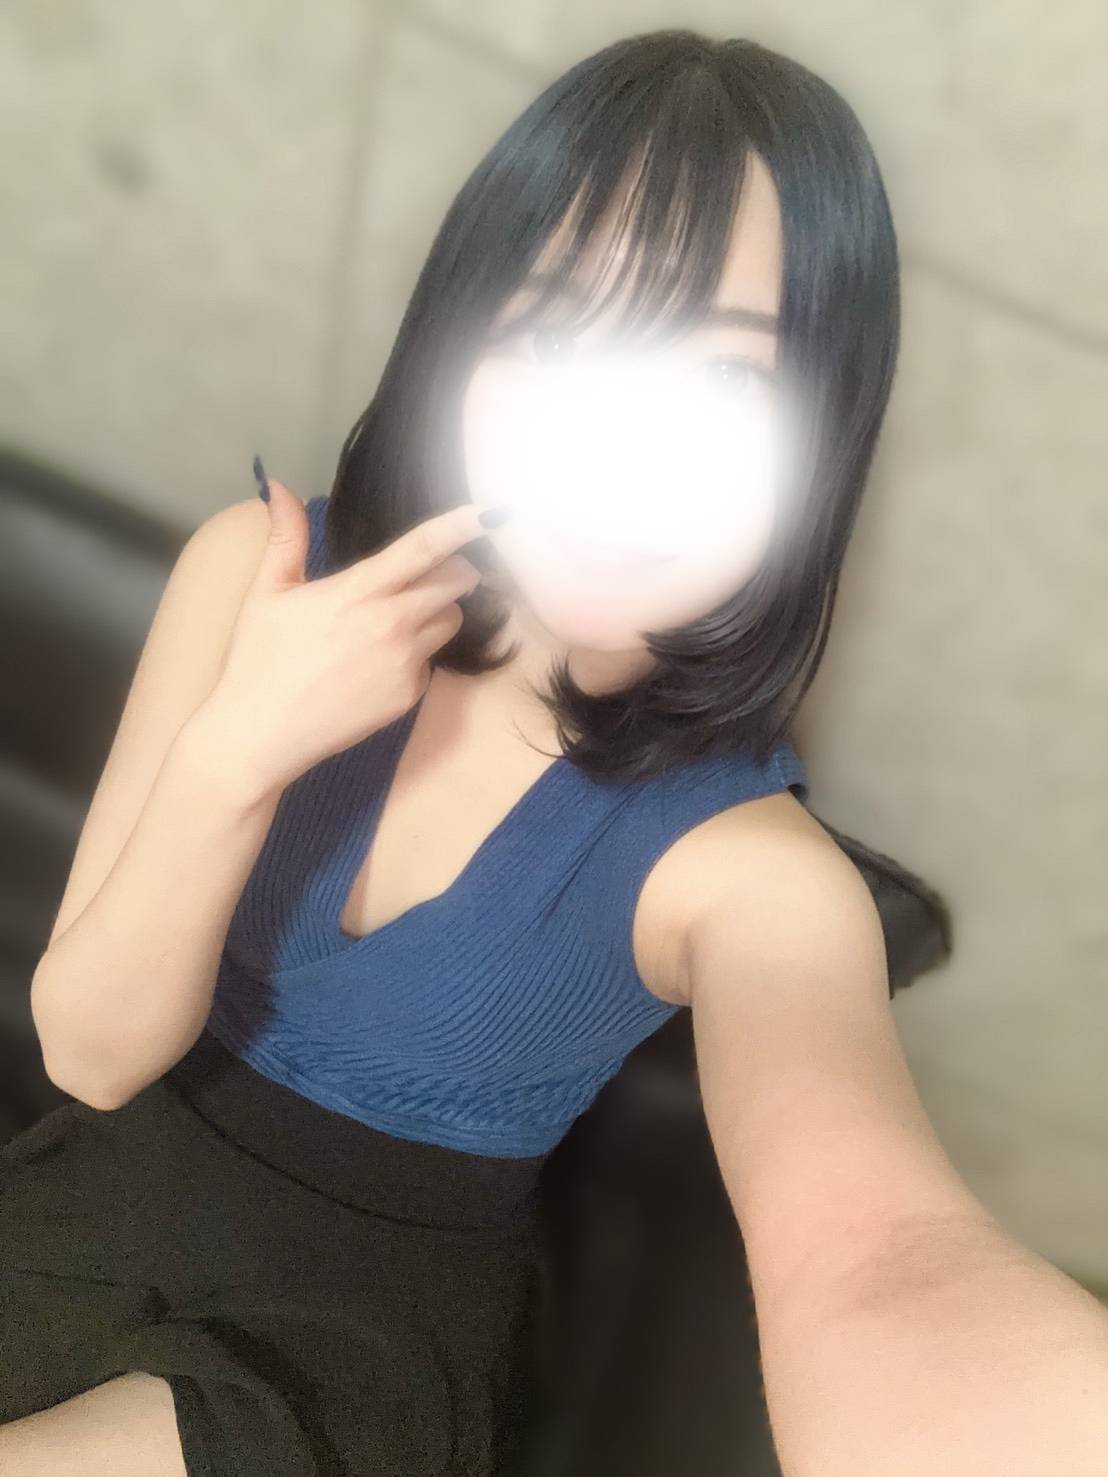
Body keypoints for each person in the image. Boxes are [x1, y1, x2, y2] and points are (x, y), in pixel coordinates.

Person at [7, 26, 1108, 1477]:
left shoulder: (748, 873)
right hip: (69, 1220)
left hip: (340, 1377)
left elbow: (878, 1252)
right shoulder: (256, 577)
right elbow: (90, 1053)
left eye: (726, 382)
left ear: (821, 441)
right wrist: (239, 752)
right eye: (557, 338)